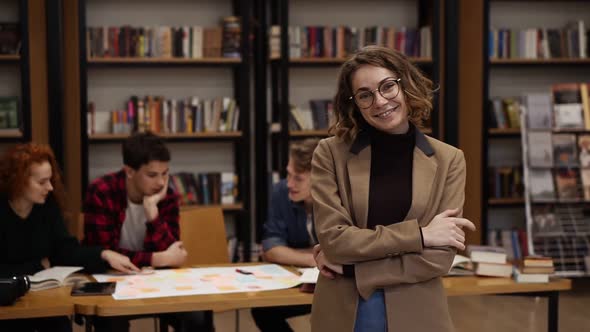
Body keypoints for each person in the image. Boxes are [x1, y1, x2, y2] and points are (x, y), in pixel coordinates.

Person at [310, 46, 476, 332]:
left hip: (419, 313)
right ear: (355, 104)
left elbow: (439, 258)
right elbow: (334, 241)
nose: (380, 101)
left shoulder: (450, 159)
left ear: (406, 84)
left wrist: (354, 269)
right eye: (365, 95)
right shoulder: (329, 154)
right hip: (343, 313)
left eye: (388, 86)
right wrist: (420, 235)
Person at [83, 132, 213, 332]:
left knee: (198, 316)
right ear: (129, 171)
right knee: (109, 320)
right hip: (112, 280)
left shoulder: (166, 196)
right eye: (152, 175)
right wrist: (157, 258)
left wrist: (152, 213)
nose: (161, 182)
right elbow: (105, 254)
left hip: (158, 281)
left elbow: (173, 252)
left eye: (165, 173)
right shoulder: (101, 191)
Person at [0, 143, 138, 332]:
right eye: (41, 182)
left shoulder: (47, 207)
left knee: (60, 325)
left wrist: (103, 254)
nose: (49, 187)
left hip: (44, 300)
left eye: (50, 180)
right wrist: (39, 265)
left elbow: (65, 251)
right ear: (18, 181)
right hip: (7, 306)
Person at [251, 138, 319, 331]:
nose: (289, 183)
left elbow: (342, 250)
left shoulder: (341, 197)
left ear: (321, 177)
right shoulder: (281, 191)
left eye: (298, 178)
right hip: (300, 279)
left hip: (335, 285)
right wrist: (314, 258)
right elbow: (271, 248)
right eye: (289, 175)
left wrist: (292, 253)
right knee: (263, 310)